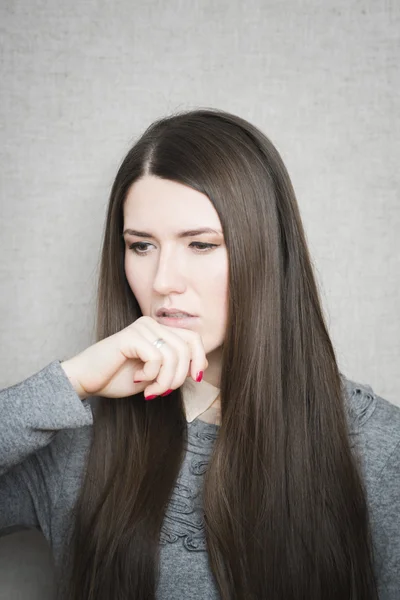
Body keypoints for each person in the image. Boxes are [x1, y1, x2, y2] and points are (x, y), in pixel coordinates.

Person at [0, 108, 399, 600]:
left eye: (201, 245)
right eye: (141, 246)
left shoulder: (380, 447)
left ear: (266, 254)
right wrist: (70, 380)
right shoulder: (73, 438)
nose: (164, 280)